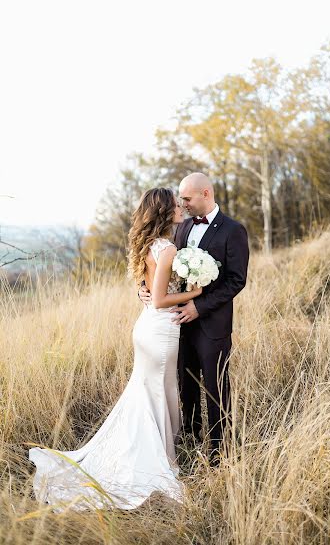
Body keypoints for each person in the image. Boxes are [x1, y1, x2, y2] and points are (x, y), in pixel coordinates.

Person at [28, 187, 203, 512]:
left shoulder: (150, 245)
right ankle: (158, 461)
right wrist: (195, 293)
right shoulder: (166, 250)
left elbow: (149, 289)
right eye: (176, 205)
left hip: (149, 327)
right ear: (165, 211)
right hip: (160, 330)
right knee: (156, 393)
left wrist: (151, 290)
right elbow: (163, 298)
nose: (181, 208)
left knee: (150, 392)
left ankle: (163, 455)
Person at [139, 173, 249, 464]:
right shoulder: (180, 227)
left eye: (187, 199)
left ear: (206, 193)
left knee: (215, 387)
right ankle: (188, 438)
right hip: (177, 325)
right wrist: (143, 289)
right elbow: (158, 268)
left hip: (212, 324)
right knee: (184, 384)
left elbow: (237, 280)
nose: (183, 204)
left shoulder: (233, 230)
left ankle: (218, 451)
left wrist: (199, 306)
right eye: (181, 200)